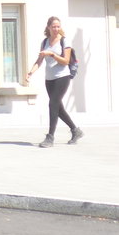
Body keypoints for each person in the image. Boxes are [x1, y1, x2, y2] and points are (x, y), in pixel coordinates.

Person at [23, 16, 83, 147]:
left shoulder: (64, 41)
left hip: (62, 77)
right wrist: (31, 72)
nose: (56, 29)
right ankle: (75, 130)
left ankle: (50, 137)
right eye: (54, 26)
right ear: (48, 27)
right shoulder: (45, 42)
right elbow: (39, 61)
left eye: (58, 26)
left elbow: (65, 61)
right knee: (57, 107)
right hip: (49, 79)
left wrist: (52, 54)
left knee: (52, 104)